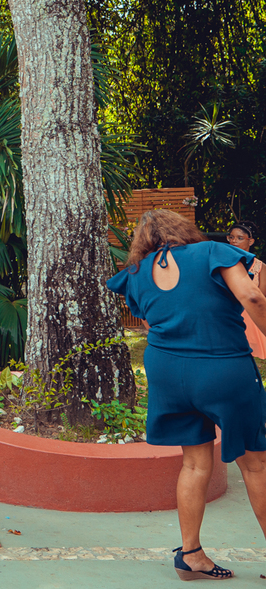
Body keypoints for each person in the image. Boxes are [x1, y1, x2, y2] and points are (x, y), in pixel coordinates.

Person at [107, 209, 266, 581]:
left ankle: (191, 554)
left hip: (167, 371)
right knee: (255, 464)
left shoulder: (135, 273)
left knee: (194, 463)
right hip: (221, 366)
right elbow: (253, 297)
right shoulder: (213, 252)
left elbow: (149, 322)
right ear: (183, 229)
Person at [229, 222, 266, 358]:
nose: (234, 241)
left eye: (240, 238)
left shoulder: (260, 267)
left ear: (251, 241)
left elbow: (261, 296)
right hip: (228, 314)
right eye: (231, 237)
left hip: (251, 316)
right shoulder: (223, 263)